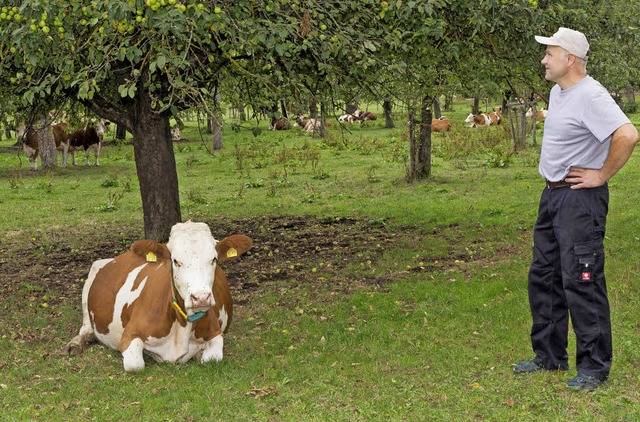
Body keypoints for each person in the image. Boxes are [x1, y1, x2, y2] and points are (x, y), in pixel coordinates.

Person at [513, 27, 639, 391]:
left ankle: (594, 367)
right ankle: (549, 355)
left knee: (582, 280)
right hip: (552, 195)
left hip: (579, 200)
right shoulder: (559, 91)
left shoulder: (591, 95)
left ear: (569, 58)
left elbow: (628, 135)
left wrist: (601, 174)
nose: (543, 60)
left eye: (549, 54)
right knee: (545, 277)